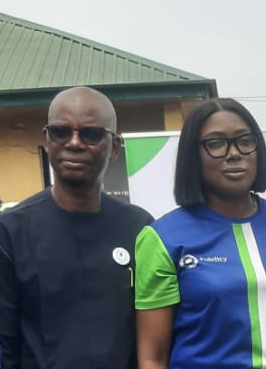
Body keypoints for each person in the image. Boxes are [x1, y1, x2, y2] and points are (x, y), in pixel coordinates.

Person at [134, 98, 266, 369]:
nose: (234, 153)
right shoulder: (163, 238)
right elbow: (153, 357)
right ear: (192, 156)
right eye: (216, 143)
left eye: (244, 140)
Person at [0, 86, 153, 368]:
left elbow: (156, 336)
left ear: (115, 146)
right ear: (46, 139)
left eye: (91, 134)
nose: (74, 143)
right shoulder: (10, 232)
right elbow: (4, 345)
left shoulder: (140, 228)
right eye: (60, 132)